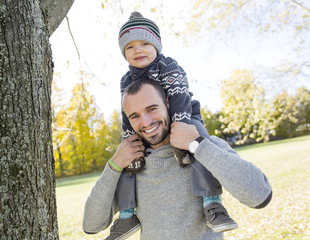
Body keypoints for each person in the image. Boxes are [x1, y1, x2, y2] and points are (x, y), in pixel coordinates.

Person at [83, 79, 272, 240]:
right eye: (135, 116)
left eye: (152, 109)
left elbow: (260, 196)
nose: (146, 122)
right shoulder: (131, 164)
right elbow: (91, 225)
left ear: (167, 102)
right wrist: (114, 165)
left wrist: (196, 145)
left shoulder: (204, 145)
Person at [111, 11, 236, 239]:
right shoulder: (126, 80)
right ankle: (127, 214)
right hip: (148, 126)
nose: (137, 50)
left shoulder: (168, 66)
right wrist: (131, 141)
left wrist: (182, 134)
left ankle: (212, 203)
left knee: (201, 147)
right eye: (129, 47)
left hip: (185, 116)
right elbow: (126, 112)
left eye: (144, 43)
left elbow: (179, 97)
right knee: (128, 158)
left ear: (157, 45)